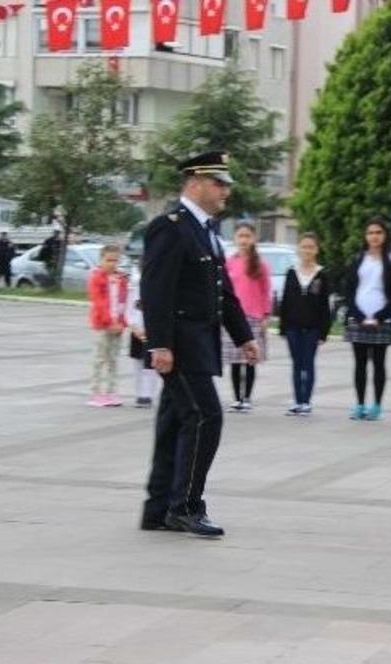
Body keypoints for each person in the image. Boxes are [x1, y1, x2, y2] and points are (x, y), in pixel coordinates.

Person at [139, 151, 259, 538]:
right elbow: (155, 289)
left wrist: (244, 335)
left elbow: (222, 292)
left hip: (198, 344)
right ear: (194, 183)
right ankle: (186, 506)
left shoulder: (205, 229)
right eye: (218, 183)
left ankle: (159, 508)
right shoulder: (170, 227)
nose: (225, 190)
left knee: (174, 423)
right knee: (206, 417)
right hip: (179, 346)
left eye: (225, 184)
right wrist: (159, 344)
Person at [343, 216, 391, 421]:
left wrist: (379, 316)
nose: (374, 236)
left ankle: (376, 406)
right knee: (359, 364)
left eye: (378, 232)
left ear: (384, 236)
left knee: (378, 363)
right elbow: (349, 291)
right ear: (365, 236)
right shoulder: (357, 259)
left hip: (381, 321)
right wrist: (359, 316)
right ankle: (360, 404)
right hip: (358, 319)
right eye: (370, 233)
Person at [278, 232, 333, 416]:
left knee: (308, 363)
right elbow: (285, 301)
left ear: (317, 249)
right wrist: (283, 327)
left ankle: (306, 401)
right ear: (298, 249)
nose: (307, 250)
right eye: (304, 247)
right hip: (293, 327)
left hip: (313, 328)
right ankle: (297, 401)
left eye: (311, 247)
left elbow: (325, 306)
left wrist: (323, 332)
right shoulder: (291, 272)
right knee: (296, 363)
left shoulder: (321, 275)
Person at [222, 221, 272, 413]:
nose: (243, 240)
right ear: (235, 238)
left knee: (250, 359)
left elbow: (266, 292)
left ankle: (247, 398)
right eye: (240, 236)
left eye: (247, 236)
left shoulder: (261, 265)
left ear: (254, 239)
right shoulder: (229, 262)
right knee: (235, 361)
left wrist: (266, 315)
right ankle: (237, 398)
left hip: (254, 317)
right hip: (234, 317)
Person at [86, 244, 129, 407]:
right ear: (101, 260)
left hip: (118, 325)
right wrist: (109, 322)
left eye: (115, 260)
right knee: (100, 359)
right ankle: (96, 392)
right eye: (108, 260)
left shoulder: (121, 278)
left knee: (113, 359)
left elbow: (124, 301)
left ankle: (111, 391)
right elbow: (99, 303)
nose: (112, 264)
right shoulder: (97, 277)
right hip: (102, 325)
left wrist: (122, 322)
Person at [126, 265, 159, 408]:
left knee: (151, 363)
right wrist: (134, 326)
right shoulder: (135, 285)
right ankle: (139, 393)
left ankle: (148, 394)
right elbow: (129, 308)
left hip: (153, 330)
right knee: (137, 361)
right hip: (137, 329)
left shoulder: (159, 284)